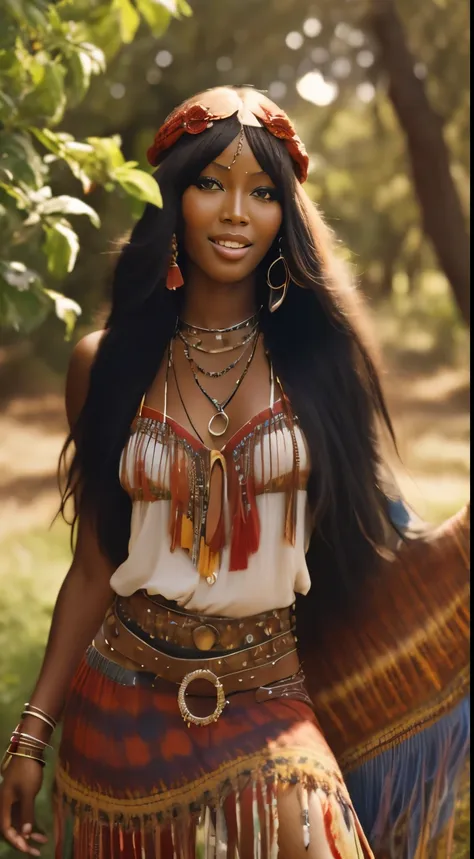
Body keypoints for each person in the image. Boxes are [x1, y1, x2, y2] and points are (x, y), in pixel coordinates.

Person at [0, 87, 469, 859]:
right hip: (122, 700)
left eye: (262, 192)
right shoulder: (106, 362)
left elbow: (366, 539)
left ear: (286, 216)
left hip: (269, 700)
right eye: (211, 183)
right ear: (176, 197)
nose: (235, 213)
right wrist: (31, 733)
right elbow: (92, 567)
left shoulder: (321, 363)